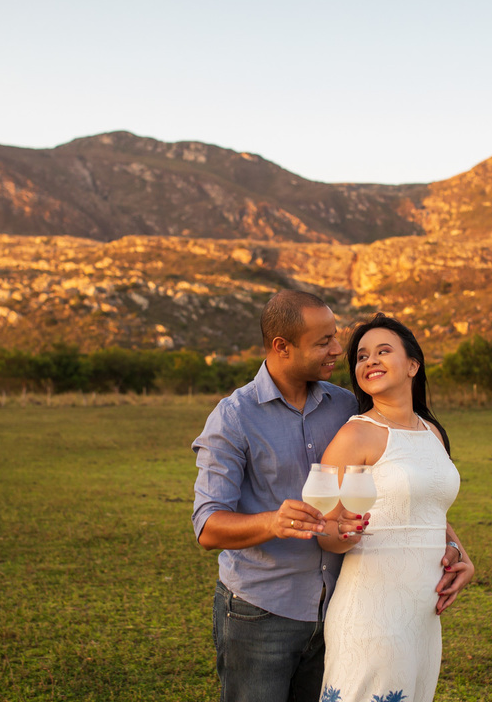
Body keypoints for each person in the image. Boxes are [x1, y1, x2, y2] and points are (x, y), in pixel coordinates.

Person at [192, 289, 362, 702]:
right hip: (259, 614)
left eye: (335, 337)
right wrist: (273, 522)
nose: (338, 350)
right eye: (324, 341)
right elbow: (207, 525)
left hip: (339, 611)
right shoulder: (233, 417)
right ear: (282, 347)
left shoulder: (347, 405)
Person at [315, 312, 474, 702]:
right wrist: (344, 532)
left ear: (413, 365)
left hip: (422, 613)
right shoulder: (356, 434)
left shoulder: (432, 431)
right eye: (362, 356)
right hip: (372, 610)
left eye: (383, 351)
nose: (370, 361)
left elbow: (427, 508)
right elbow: (325, 529)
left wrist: (460, 552)